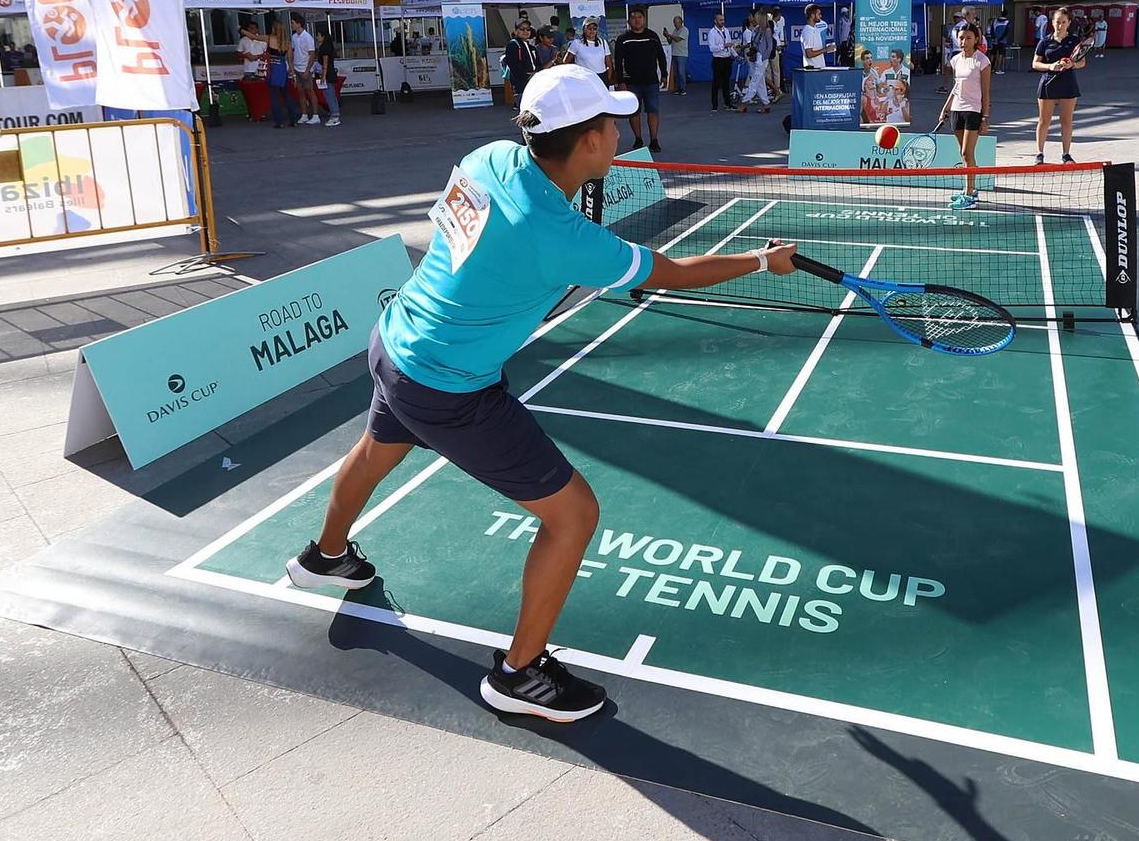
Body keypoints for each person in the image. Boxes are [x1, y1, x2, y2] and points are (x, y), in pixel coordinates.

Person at [285, 65, 798, 722]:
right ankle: (519, 675)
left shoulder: (488, 156)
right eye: (611, 123)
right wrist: (760, 261)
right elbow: (670, 272)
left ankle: (325, 556)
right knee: (574, 514)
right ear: (586, 142)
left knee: (379, 444)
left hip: (399, 341)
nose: (620, 132)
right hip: (451, 384)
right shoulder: (559, 236)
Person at [932, 25, 992, 209]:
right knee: (963, 154)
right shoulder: (956, 60)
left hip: (973, 111)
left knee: (967, 153)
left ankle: (969, 196)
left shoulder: (982, 61)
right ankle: (970, 189)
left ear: (976, 39)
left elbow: (986, 91)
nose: (964, 41)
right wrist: (946, 108)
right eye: (961, 38)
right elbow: (956, 87)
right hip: (957, 110)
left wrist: (985, 117)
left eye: (968, 38)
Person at [1031, 5, 1086, 164]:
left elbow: (1082, 61)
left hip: (1068, 84)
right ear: (1052, 22)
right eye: (1057, 22)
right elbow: (1035, 63)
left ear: (1069, 23)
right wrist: (1050, 66)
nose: (1059, 25)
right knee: (1044, 120)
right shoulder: (1044, 41)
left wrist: (1072, 65)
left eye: (1063, 22)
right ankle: (1039, 154)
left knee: (1066, 120)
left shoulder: (1074, 41)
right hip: (1048, 83)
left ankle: (1066, 155)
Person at [610, 6, 669, 153]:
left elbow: (661, 57)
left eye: (639, 17)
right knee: (634, 112)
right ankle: (638, 139)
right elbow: (618, 62)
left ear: (644, 19)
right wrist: (621, 82)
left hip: (651, 82)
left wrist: (664, 74)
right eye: (633, 17)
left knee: (653, 111)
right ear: (629, 21)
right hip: (631, 83)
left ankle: (654, 140)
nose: (637, 20)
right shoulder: (623, 39)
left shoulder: (653, 36)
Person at [289, 15, 320, 126]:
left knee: (310, 91)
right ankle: (304, 114)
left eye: (293, 22)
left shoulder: (307, 37)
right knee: (300, 92)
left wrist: (308, 70)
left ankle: (316, 115)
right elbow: (292, 51)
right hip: (297, 67)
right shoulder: (294, 37)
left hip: (305, 68)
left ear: (299, 24)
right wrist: (291, 66)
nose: (291, 25)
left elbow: (312, 54)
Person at [266, 25, 299, 128]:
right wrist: (293, 74)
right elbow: (290, 60)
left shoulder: (269, 38)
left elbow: (253, 37)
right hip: (282, 68)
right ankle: (293, 119)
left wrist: (241, 30)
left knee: (274, 96)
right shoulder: (287, 43)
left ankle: (279, 122)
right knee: (287, 95)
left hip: (273, 68)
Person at [703, 13, 735, 112]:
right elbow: (712, 48)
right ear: (715, 21)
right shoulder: (712, 33)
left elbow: (730, 45)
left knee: (726, 82)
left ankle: (728, 103)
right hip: (718, 60)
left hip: (727, 58)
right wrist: (723, 46)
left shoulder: (726, 30)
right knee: (716, 83)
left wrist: (736, 55)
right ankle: (714, 105)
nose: (722, 21)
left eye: (723, 19)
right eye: (720, 20)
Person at [313, 27, 343, 127]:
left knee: (329, 94)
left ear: (323, 36)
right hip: (328, 73)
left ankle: (335, 115)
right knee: (329, 94)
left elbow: (325, 63)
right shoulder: (325, 46)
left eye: (318, 35)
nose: (317, 37)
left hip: (327, 74)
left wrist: (323, 76)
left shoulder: (325, 48)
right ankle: (334, 112)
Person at [502, 19, 536, 107]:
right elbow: (514, 65)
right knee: (524, 111)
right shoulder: (513, 45)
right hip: (521, 85)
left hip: (533, 83)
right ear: (516, 31)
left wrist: (536, 74)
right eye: (522, 29)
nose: (525, 31)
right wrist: (527, 76)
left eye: (528, 29)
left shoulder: (531, 47)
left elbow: (537, 63)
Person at [799, 4, 830, 72]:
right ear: (812, 15)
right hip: (813, 70)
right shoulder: (808, 31)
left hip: (819, 68)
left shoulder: (814, 29)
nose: (820, 16)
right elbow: (809, 54)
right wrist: (826, 49)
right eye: (818, 14)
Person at [667, 16, 689, 94]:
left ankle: (683, 89)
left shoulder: (684, 30)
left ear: (681, 22)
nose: (675, 24)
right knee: (676, 73)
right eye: (674, 22)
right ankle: (678, 88)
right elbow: (670, 41)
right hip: (675, 53)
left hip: (682, 54)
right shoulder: (675, 30)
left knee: (681, 72)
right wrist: (667, 36)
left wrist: (669, 35)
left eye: (676, 22)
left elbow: (677, 39)